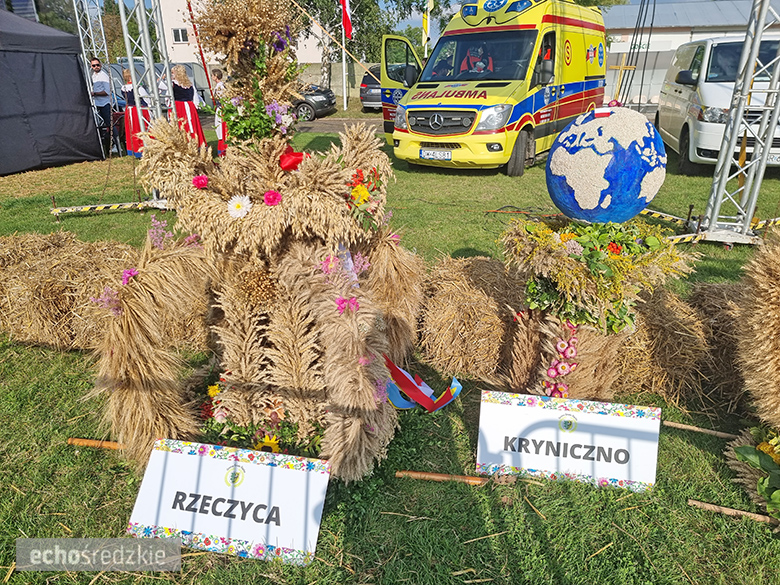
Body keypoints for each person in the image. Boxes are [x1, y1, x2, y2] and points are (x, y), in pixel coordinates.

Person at [170, 64, 206, 145]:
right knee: (183, 126)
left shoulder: (187, 84)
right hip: (185, 106)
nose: (172, 74)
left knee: (188, 125)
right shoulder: (177, 84)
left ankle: (193, 144)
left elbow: (195, 97)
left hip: (182, 107)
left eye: (173, 72)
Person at [121, 69, 150, 158]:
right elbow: (147, 100)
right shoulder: (138, 87)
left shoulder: (123, 88)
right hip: (139, 110)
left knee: (132, 130)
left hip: (129, 110)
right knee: (141, 128)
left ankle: (134, 150)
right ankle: (144, 148)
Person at [90, 57, 112, 154]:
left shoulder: (104, 76)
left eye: (97, 65)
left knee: (109, 124)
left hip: (104, 104)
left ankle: (114, 144)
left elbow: (107, 92)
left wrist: (95, 93)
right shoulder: (93, 76)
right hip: (97, 104)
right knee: (99, 126)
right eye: (94, 65)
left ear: (101, 65)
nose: (96, 67)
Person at [211, 68, 228, 156]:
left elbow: (223, 98)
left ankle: (223, 150)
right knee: (219, 129)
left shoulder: (220, 86)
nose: (212, 77)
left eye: (212, 75)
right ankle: (221, 150)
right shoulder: (218, 86)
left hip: (221, 108)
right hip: (219, 108)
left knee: (220, 128)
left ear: (216, 76)